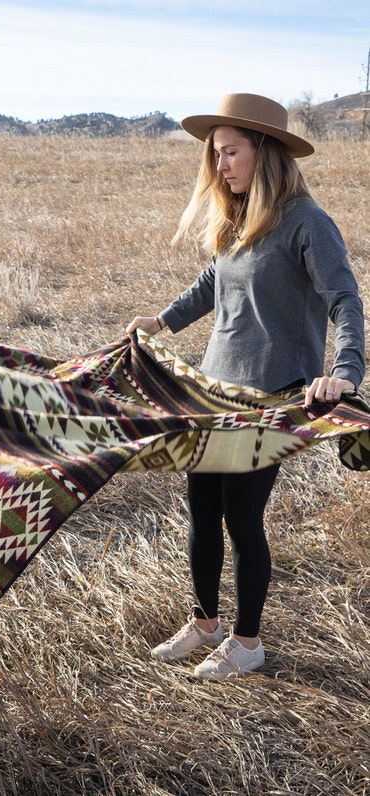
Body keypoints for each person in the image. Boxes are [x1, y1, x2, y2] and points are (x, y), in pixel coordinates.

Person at [126, 93, 366, 680]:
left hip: (272, 397)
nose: (220, 166)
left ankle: (247, 642)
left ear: (265, 151)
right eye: (216, 155)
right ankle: (206, 623)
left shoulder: (308, 222)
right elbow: (213, 281)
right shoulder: (238, 217)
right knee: (201, 512)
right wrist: (161, 322)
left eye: (230, 152)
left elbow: (344, 301)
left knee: (242, 517)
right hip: (215, 391)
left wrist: (345, 373)